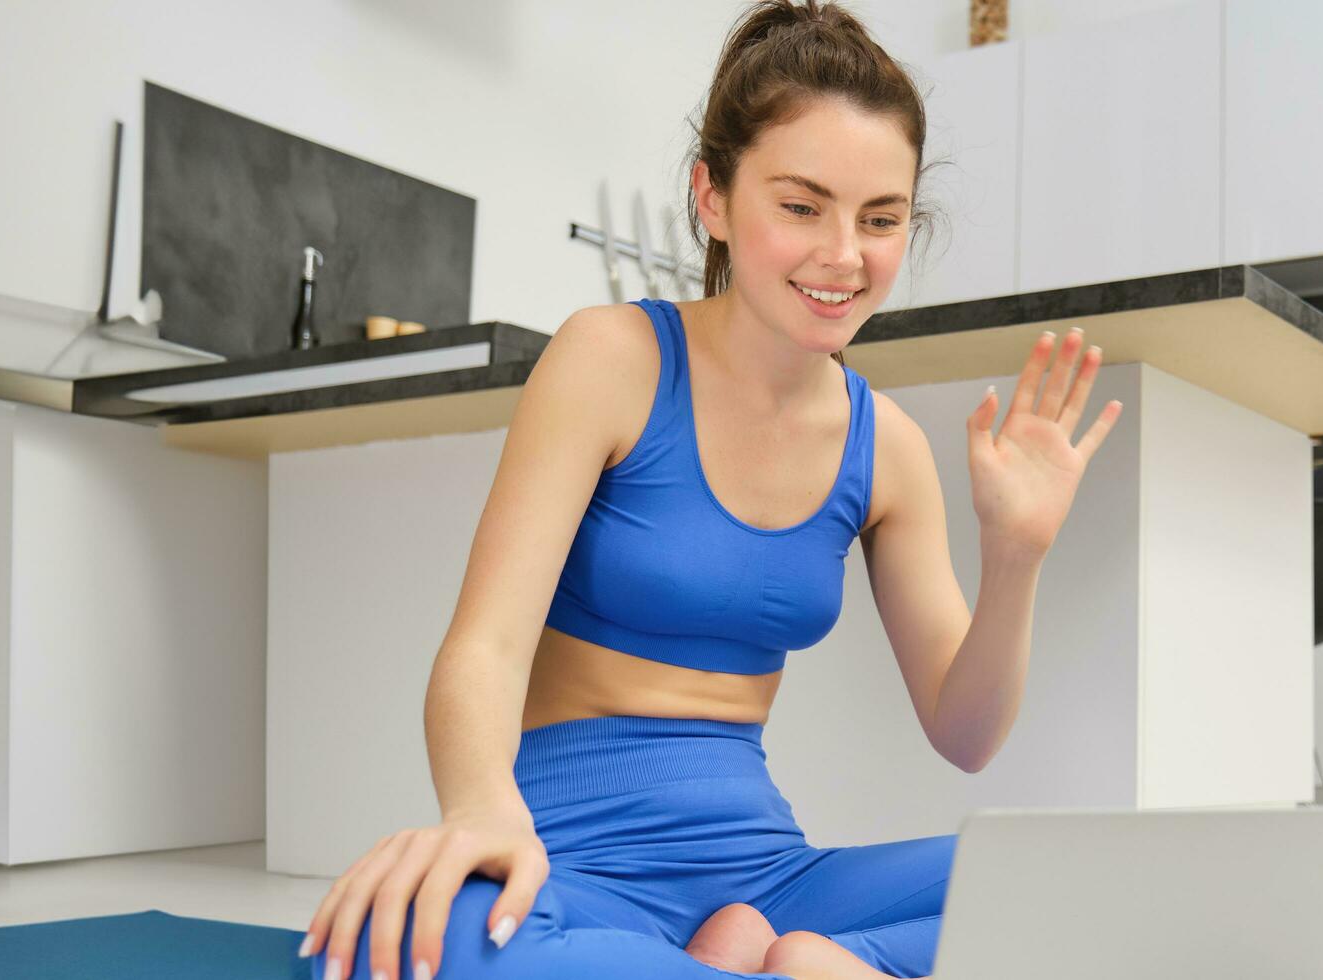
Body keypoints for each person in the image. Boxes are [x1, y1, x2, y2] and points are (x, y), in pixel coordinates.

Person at [292, 3, 1121, 978]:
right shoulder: (611, 358)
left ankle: (766, 961)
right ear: (714, 198)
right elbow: (482, 645)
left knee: (1082, 887)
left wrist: (1016, 555)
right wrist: (479, 813)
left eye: (880, 218)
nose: (843, 254)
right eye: (801, 205)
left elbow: (965, 732)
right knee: (392, 948)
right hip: (563, 858)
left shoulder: (883, 445)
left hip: (762, 878)